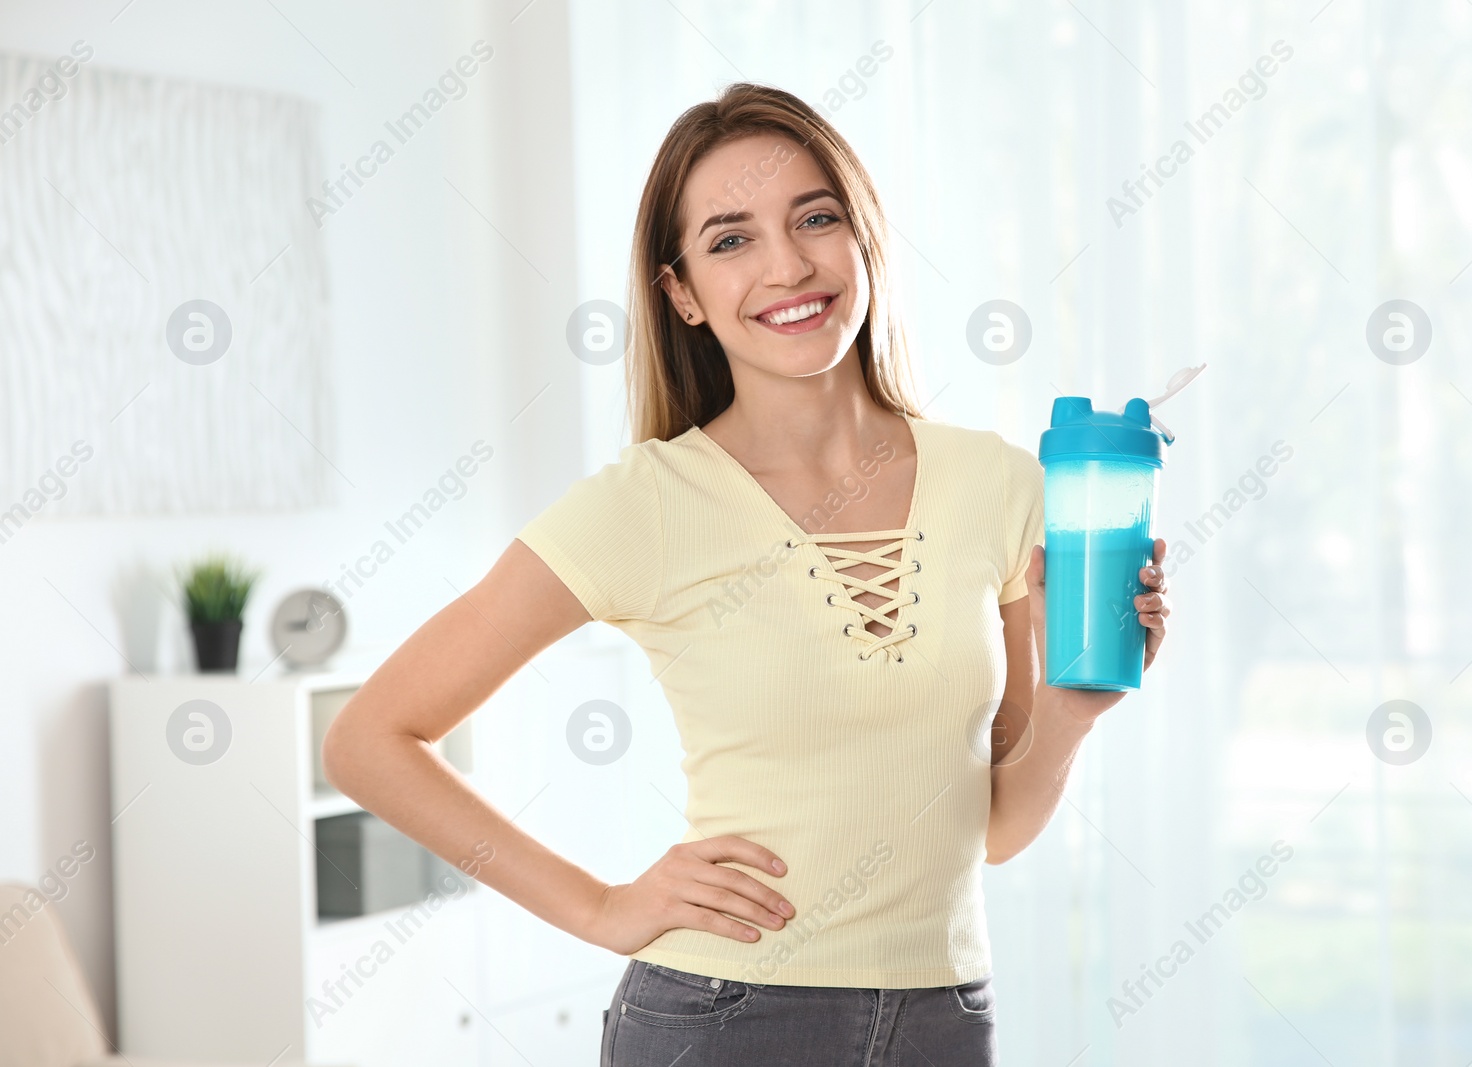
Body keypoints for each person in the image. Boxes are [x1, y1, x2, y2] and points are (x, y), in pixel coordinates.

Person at [322, 81, 1172, 1066]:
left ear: (862, 241)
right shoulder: (643, 504)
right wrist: (600, 906)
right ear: (680, 290)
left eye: (815, 218)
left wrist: (1069, 715)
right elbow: (367, 740)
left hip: (943, 1019)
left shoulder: (1001, 483)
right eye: (731, 239)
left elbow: (993, 828)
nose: (788, 263)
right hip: (724, 1018)